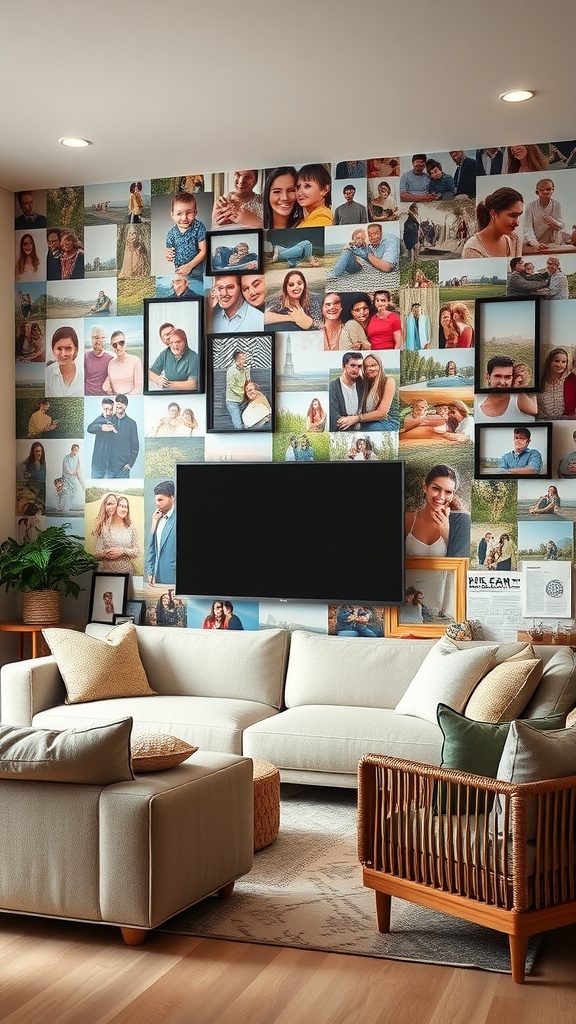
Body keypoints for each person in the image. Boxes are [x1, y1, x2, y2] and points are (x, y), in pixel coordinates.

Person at [405, 464, 470, 558]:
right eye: (436, 489)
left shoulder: (462, 522)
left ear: (452, 494)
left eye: (448, 492)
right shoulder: (407, 519)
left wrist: (447, 533)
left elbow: (461, 564)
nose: (441, 497)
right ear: (425, 487)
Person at [339, 352, 398, 432]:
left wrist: (357, 418)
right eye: (366, 367)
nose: (369, 369)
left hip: (385, 421)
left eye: (373, 365)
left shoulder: (388, 381)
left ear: (380, 366)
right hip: (366, 421)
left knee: (370, 430)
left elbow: (382, 413)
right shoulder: (366, 383)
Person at [462, 187, 523, 258]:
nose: (517, 222)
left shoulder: (514, 240)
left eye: (519, 215)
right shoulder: (472, 250)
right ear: (493, 213)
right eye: (512, 215)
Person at [164, 191, 206, 286]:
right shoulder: (171, 233)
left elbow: (203, 251)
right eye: (179, 214)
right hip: (180, 270)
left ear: (195, 213)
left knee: (196, 289)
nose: (184, 218)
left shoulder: (198, 227)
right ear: (172, 215)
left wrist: (189, 266)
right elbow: (169, 252)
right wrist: (167, 254)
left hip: (196, 270)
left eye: (189, 213)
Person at [92, 492, 139, 574]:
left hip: (127, 573)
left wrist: (122, 551)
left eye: (126, 507)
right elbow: (95, 554)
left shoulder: (131, 528)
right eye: (121, 506)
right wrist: (106, 553)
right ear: (115, 507)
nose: (124, 509)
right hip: (106, 573)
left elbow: (136, 551)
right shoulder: (103, 527)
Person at [148, 327, 198, 391]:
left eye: (178, 342)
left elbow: (192, 384)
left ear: (185, 342)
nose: (175, 345)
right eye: (172, 343)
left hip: (186, 395)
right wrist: (158, 379)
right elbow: (149, 373)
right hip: (168, 394)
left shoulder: (193, 357)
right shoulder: (165, 353)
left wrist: (166, 384)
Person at [146, 480, 176, 587]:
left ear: (172, 498)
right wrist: (150, 572)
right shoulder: (157, 517)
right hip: (155, 578)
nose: (157, 503)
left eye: (160, 500)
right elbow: (151, 548)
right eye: (156, 500)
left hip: (173, 578)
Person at [523, 179, 565, 249]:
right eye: (542, 189)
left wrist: (552, 222)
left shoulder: (556, 204)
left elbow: (561, 226)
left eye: (548, 189)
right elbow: (527, 228)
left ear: (552, 190)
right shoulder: (530, 206)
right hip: (532, 243)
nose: (545, 191)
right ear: (537, 192)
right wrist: (535, 243)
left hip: (550, 243)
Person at [536, 347, 576, 419]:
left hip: (566, 424)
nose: (560, 365)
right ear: (549, 362)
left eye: (564, 362)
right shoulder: (540, 382)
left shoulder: (571, 381)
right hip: (545, 423)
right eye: (557, 361)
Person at [329, 352, 365, 430]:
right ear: (344, 365)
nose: (356, 369)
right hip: (342, 431)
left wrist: (355, 419)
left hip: (361, 429)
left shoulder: (363, 384)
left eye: (359, 366)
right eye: (352, 365)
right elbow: (334, 417)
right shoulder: (333, 386)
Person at [46, 325, 83, 397]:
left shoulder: (84, 371)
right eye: (59, 349)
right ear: (53, 350)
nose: (63, 354)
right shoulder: (48, 373)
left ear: (75, 350)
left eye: (68, 348)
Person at [109, 395, 139, 478]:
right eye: (117, 403)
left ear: (126, 406)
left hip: (123, 469)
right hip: (109, 467)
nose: (119, 406)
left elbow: (135, 446)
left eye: (122, 404)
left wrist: (130, 464)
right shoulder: (108, 420)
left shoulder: (132, 423)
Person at [104, 330, 143, 395]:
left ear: (125, 344)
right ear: (111, 347)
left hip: (132, 397)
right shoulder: (111, 363)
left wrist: (125, 398)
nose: (118, 347)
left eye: (121, 343)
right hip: (115, 399)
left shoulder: (136, 361)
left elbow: (138, 387)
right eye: (114, 345)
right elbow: (108, 381)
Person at [87, 398, 116, 478]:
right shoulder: (99, 419)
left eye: (111, 409)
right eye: (106, 409)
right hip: (97, 465)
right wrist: (102, 427)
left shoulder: (117, 420)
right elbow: (89, 428)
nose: (108, 412)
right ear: (102, 408)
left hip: (112, 466)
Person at [84, 325, 113, 395]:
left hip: (103, 396)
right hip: (88, 395)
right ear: (91, 339)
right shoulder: (85, 357)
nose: (99, 341)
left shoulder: (111, 359)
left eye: (102, 338)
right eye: (96, 338)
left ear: (105, 340)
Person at [225, 350, 250, 429]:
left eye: (245, 358)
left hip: (243, 401)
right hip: (232, 402)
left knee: (249, 422)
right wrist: (244, 393)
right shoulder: (231, 371)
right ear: (237, 360)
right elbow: (232, 387)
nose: (245, 360)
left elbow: (248, 382)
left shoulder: (245, 369)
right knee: (238, 426)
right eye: (243, 359)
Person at [61, 443, 84, 510]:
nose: (75, 451)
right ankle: (65, 507)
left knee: (76, 490)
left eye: (77, 450)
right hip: (67, 477)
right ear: (71, 450)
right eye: (74, 449)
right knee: (69, 491)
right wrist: (72, 472)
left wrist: (79, 477)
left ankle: (69, 506)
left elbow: (78, 468)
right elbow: (66, 468)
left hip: (74, 477)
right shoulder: (67, 458)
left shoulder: (77, 458)